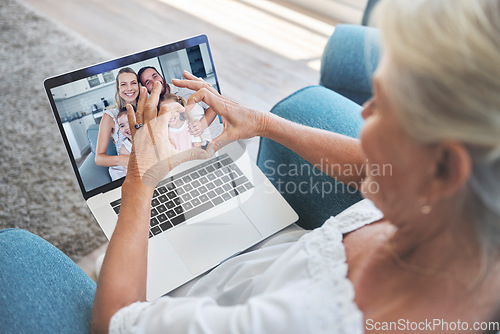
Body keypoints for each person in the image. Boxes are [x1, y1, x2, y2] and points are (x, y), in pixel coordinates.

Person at [1, 0, 500, 333]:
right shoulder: (450, 213)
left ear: (446, 168)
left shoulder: (300, 320)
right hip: (272, 259)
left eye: (381, 104)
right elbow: (379, 174)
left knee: (13, 258)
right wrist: (263, 122)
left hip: (208, 293)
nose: (362, 112)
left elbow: (115, 321)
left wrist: (140, 181)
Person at [138, 66, 223, 141]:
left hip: (216, 136)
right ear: (145, 89)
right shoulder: (152, 110)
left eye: (155, 76)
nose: (155, 82)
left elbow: (213, 105)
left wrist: (202, 125)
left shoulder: (186, 87)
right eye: (148, 82)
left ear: (161, 76)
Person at [95, 67, 139, 181]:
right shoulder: (110, 116)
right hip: (125, 172)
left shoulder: (147, 108)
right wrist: (124, 160)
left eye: (133, 83)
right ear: (118, 88)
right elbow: (99, 158)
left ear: (138, 85)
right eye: (123, 84)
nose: (129, 88)